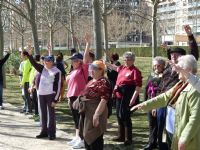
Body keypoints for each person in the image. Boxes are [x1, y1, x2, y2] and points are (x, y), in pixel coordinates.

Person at [132, 55, 200, 150]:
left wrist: (185, 138)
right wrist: (145, 104)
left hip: (187, 138)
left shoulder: (195, 89)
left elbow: (196, 117)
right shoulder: (180, 84)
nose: (176, 71)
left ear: (187, 70)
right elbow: (165, 97)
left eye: (178, 68)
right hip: (174, 130)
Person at [157, 25, 199, 150]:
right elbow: (162, 85)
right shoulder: (168, 69)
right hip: (163, 103)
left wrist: (190, 36)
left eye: (176, 55)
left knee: (175, 135)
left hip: (177, 108)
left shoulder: (185, 68)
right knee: (163, 134)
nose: (173, 57)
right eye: (171, 55)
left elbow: (194, 53)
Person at [106, 51, 143, 145]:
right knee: (119, 115)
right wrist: (105, 63)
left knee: (125, 116)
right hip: (119, 95)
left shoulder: (135, 71)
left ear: (133, 60)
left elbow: (138, 87)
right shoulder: (122, 67)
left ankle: (128, 138)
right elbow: (115, 68)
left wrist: (133, 99)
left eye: (129, 59)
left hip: (128, 96)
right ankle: (120, 136)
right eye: (125, 59)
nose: (126, 61)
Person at [73, 60, 111, 150]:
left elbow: (104, 100)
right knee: (87, 136)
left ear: (101, 70)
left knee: (94, 138)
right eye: (91, 69)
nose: (91, 71)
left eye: (94, 69)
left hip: (95, 111)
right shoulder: (92, 80)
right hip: (87, 112)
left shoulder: (103, 82)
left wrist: (96, 115)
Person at [24, 51, 61, 140]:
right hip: (41, 94)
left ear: (52, 62)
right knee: (43, 114)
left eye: (47, 61)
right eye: (44, 61)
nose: (45, 62)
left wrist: (55, 100)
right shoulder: (42, 69)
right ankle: (44, 131)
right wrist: (29, 55)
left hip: (50, 95)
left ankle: (52, 133)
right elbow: (34, 63)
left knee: (51, 115)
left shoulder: (57, 71)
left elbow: (58, 86)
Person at [66, 33, 91, 149]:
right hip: (71, 96)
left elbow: (85, 58)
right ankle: (77, 137)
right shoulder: (72, 71)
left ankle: (82, 139)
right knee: (75, 118)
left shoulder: (83, 69)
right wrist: (67, 97)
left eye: (75, 60)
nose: (72, 62)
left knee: (81, 119)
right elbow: (70, 85)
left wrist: (87, 44)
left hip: (79, 97)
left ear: (80, 61)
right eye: (72, 60)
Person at [144, 57, 166, 150]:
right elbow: (146, 88)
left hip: (158, 104)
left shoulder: (165, 76)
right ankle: (152, 143)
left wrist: (155, 106)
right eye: (155, 65)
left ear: (163, 66)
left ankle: (161, 144)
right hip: (150, 101)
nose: (156, 67)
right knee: (152, 124)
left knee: (160, 125)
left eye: (159, 65)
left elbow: (161, 92)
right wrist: (145, 102)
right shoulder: (151, 75)